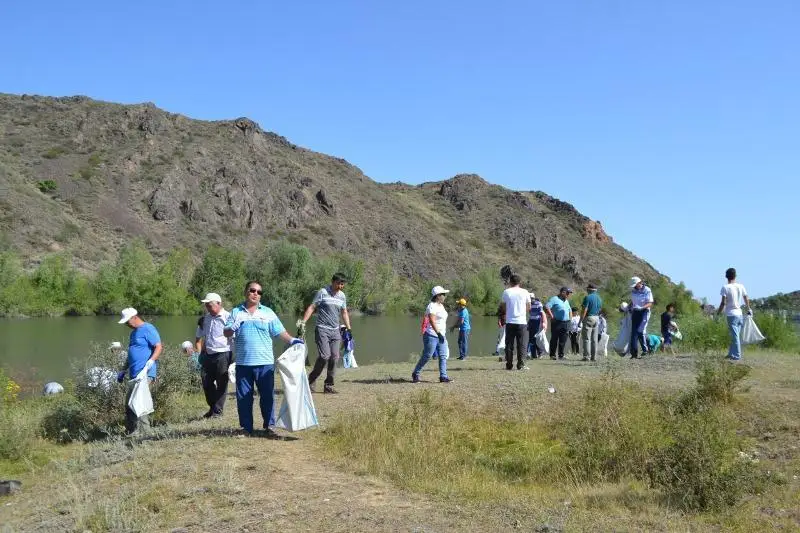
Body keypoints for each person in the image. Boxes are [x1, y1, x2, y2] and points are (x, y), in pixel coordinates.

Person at [224, 281, 303, 436]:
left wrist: (292, 340)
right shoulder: (235, 312)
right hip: (243, 363)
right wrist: (232, 328)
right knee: (244, 398)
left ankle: (270, 427)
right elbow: (226, 332)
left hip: (265, 363)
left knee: (267, 397)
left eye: (259, 292)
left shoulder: (268, 312)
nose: (256, 294)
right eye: (252, 290)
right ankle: (246, 428)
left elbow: (280, 332)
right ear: (246, 292)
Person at [299, 273, 352, 394]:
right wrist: (303, 323)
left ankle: (328, 385)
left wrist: (349, 329)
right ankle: (311, 380)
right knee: (324, 356)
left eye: (342, 284)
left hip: (335, 330)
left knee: (335, 357)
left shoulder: (342, 296)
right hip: (322, 329)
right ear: (333, 282)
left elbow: (344, 312)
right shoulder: (323, 292)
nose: (340, 286)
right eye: (338, 283)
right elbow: (312, 307)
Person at [116, 308, 162, 435]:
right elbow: (131, 354)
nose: (126, 324)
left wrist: (151, 361)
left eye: (127, 321)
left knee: (139, 402)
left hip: (145, 373)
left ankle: (146, 433)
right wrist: (123, 370)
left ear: (134, 317)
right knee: (129, 403)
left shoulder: (148, 328)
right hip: (134, 374)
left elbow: (158, 346)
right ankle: (132, 430)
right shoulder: (133, 333)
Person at [195, 293, 233, 418]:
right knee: (206, 382)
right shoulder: (205, 319)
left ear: (219, 303)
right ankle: (212, 407)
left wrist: (233, 357)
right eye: (206, 305)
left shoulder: (228, 317)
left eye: (210, 305)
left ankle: (217, 411)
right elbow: (199, 337)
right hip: (208, 354)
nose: (208, 307)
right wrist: (200, 353)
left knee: (222, 382)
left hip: (223, 353)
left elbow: (236, 338)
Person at [412, 286, 453, 383]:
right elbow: (432, 320)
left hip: (441, 335)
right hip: (431, 335)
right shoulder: (431, 306)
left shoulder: (441, 306)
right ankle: (415, 373)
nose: (445, 296)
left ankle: (443, 377)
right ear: (438, 296)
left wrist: (441, 334)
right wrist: (438, 333)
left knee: (443, 356)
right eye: (443, 294)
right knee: (427, 355)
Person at [717, 267, 753, 361]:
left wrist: (718, 313)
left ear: (726, 277)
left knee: (735, 335)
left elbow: (723, 303)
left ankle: (736, 355)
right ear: (735, 276)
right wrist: (749, 309)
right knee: (735, 335)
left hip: (731, 314)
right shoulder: (741, 286)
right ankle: (731, 354)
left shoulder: (725, 287)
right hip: (739, 314)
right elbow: (746, 298)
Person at [500, 274, 531, 370]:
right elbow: (529, 306)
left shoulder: (506, 292)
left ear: (510, 282)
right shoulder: (525, 292)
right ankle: (521, 365)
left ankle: (509, 365)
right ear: (520, 282)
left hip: (510, 321)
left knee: (509, 344)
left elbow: (503, 306)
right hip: (521, 321)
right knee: (522, 345)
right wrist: (522, 312)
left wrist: (509, 312)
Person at [629, 277, 654, 359]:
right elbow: (632, 302)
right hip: (635, 312)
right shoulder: (633, 290)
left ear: (639, 283)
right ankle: (634, 354)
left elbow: (650, 303)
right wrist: (629, 308)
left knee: (640, 331)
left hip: (644, 312)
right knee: (633, 333)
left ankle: (646, 349)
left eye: (636, 285)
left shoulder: (647, 290)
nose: (635, 287)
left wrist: (642, 307)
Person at [546, 287, 573, 359]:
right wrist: (552, 317)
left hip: (566, 323)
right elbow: (547, 307)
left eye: (569, 293)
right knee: (554, 339)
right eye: (567, 293)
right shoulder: (554, 299)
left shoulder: (566, 301)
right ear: (562, 292)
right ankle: (552, 355)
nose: (568, 295)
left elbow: (570, 310)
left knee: (563, 339)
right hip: (556, 322)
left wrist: (570, 320)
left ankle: (561, 355)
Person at [578, 283, 603, 361]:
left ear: (589, 289)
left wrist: (580, 321)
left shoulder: (587, 297)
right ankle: (594, 357)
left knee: (586, 339)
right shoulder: (599, 298)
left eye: (587, 289)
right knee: (594, 339)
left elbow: (584, 310)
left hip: (589, 317)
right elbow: (600, 309)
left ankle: (586, 357)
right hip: (596, 317)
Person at [527, 293, 544, 358]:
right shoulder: (529, 304)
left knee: (534, 338)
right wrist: (528, 323)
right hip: (531, 321)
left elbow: (542, 313)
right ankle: (533, 354)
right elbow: (530, 314)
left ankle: (539, 352)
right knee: (531, 338)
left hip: (537, 322)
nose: (530, 300)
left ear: (534, 298)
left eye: (531, 298)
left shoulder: (539, 303)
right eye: (529, 299)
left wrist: (543, 323)